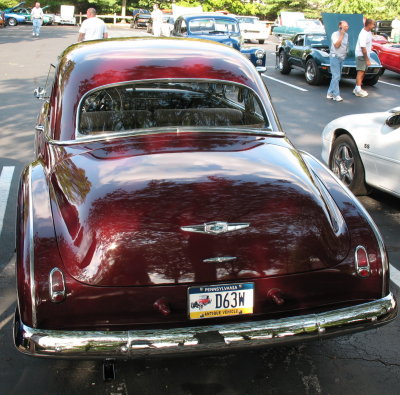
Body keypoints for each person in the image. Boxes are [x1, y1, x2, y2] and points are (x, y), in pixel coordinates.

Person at [327, 20, 349, 102]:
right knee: (336, 76)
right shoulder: (335, 34)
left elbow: (346, 45)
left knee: (336, 77)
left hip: (342, 57)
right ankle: (336, 95)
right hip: (335, 57)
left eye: (347, 26)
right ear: (340, 26)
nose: (347, 27)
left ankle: (329, 92)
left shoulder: (347, 35)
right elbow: (336, 45)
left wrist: (345, 54)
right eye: (345, 26)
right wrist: (341, 35)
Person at [353, 18, 375, 98]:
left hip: (365, 55)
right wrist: (367, 59)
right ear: (369, 25)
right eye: (373, 24)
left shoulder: (368, 32)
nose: (374, 26)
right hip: (361, 55)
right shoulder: (363, 34)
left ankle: (357, 88)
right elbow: (363, 48)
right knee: (360, 72)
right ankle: (358, 90)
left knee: (363, 72)